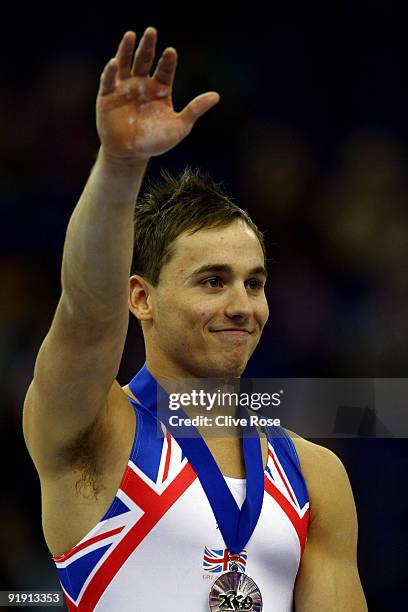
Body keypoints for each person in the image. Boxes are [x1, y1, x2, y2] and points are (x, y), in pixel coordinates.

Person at [23, 26, 367, 611]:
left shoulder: (317, 476)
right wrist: (119, 165)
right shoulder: (95, 432)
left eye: (253, 283)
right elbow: (84, 309)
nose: (241, 305)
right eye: (212, 280)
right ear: (141, 299)